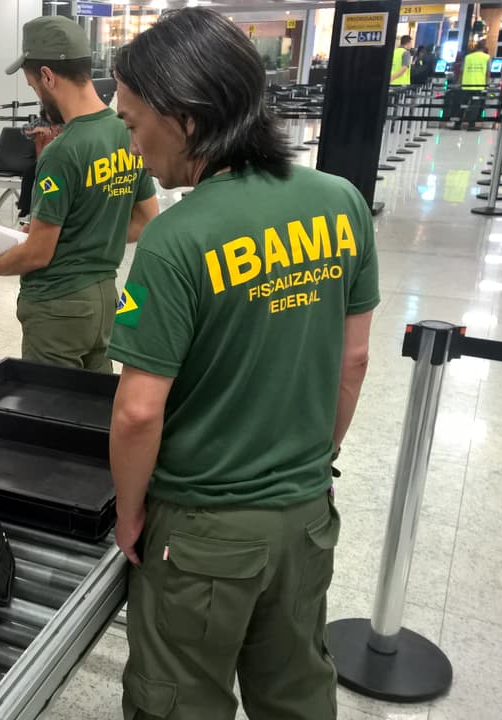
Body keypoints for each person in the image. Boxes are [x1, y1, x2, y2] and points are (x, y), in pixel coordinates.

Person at [109, 8, 378, 719]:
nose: (133, 148)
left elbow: (139, 409)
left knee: (178, 701)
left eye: (135, 125)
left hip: (203, 532)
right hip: (305, 518)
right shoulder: (342, 202)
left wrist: (131, 515)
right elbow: (354, 361)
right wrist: (306, 464)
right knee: (296, 692)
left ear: (187, 119)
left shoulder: (176, 239)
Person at [0, 16, 158, 372]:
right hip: (103, 301)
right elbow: (146, 221)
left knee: (51, 415)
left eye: (34, 85)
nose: (37, 93)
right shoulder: (124, 132)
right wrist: (88, 235)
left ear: (48, 76)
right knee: (94, 412)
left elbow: (38, 254)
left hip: (57, 308)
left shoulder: (62, 150)